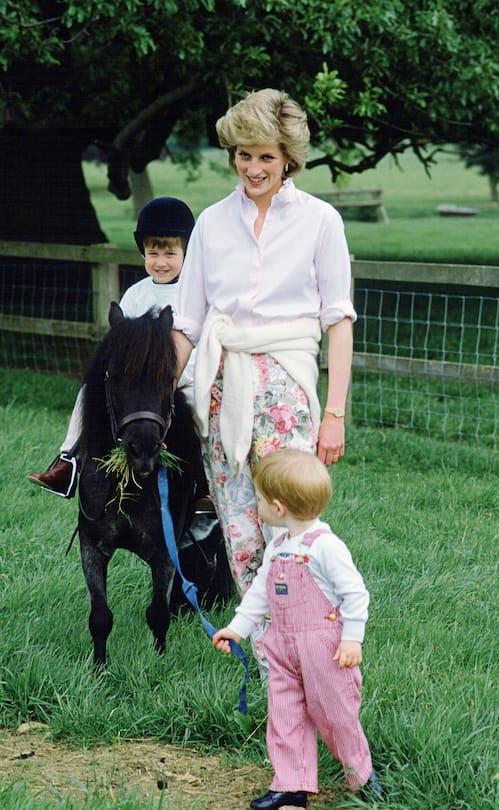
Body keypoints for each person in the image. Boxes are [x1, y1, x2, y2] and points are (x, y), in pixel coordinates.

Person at [170, 88, 356, 663]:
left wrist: (334, 413)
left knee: (289, 515)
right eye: (243, 155)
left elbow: (339, 321)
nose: (253, 168)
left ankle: (314, 635)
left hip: (285, 384)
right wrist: (160, 389)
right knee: (240, 524)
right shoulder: (210, 222)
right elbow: (188, 323)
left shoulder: (320, 221)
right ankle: (270, 645)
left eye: (266, 157)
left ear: (289, 159)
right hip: (221, 385)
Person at [213, 449, 381, 809]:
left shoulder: (326, 547)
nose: (255, 505)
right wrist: (237, 629)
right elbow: (260, 592)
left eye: (258, 499)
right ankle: (291, 786)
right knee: (284, 714)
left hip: (325, 650)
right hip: (283, 648)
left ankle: (362, 775)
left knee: (335, 716)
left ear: (279, 506)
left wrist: (352, 638)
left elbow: (355, 594)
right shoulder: (277, 547)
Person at [28, 196, 196, 497]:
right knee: (88, 392)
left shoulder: (193, 293)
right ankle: (69, 461)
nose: (160, 261)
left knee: (202, 409)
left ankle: (202, 485)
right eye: (152, 252)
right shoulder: (135, 295)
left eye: (170, 253)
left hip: (184, 379)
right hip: (138, 384)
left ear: (187, 252)